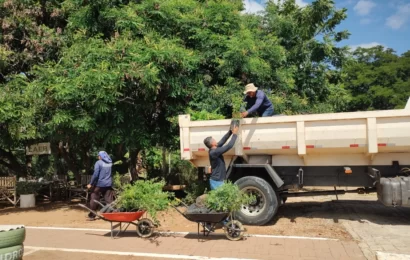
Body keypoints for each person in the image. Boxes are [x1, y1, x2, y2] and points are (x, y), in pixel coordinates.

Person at [203, 125, 239, 190]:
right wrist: (235, 134)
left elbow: (223, 141)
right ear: (212, 143)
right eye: (214, 140)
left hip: (217, 180)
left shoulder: (214, 149)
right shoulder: (214, 152)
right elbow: (229, 146)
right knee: (220, 199)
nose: (216, 141)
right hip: (217, 182)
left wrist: (230, 132)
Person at [87, 151, 114, 220]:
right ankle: (111, 215)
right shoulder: (110, 163)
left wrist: (91, 184)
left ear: (101, 156)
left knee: (94, 198)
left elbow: (96, 174)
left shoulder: (98, 163)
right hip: (108, 184)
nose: (98, 157)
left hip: (99, 184)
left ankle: (92, 215)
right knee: (109, 200)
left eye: (99, 155)